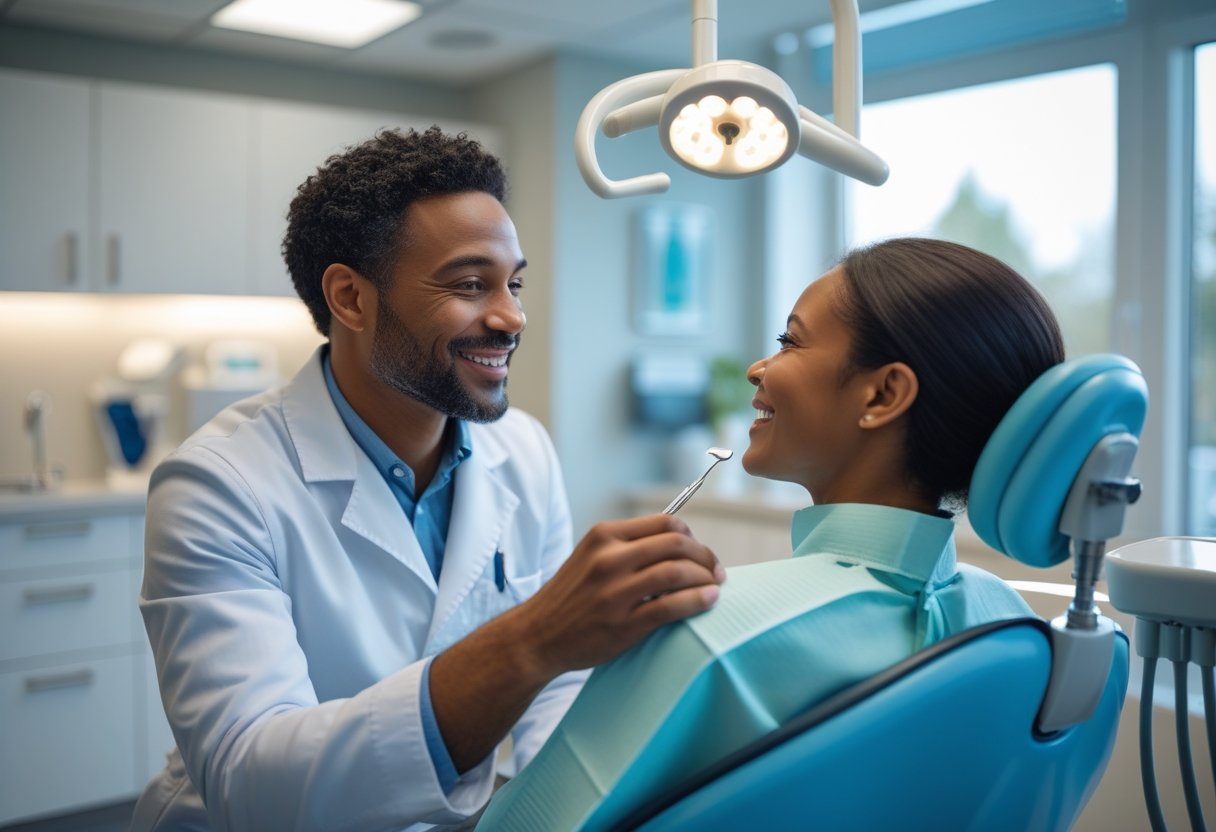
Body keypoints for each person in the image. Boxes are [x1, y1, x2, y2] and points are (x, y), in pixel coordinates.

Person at [131, 127, 725, 832]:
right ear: (351, 298)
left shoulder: (523, 450)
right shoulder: (218, 484)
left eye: (515, 283)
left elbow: (553, 696)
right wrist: (535, 636)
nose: (510, 317)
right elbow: (252, 783)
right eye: (472, 285)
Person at [476, 237, 1066, 831]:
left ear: (883, 394)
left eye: (789, 341)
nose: (759, 367)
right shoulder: (1012, 624)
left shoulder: (709, 636)